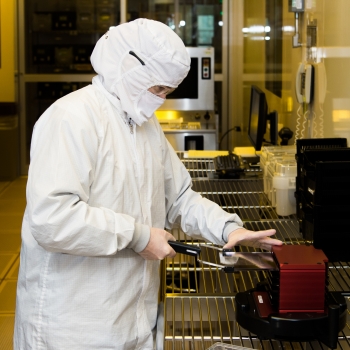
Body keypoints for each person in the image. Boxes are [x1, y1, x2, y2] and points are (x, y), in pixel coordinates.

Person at [14, 18, 282, 350]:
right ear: (128, 69)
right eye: (157, 89)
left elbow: (180, 197)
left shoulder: (142, 123)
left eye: (167, 92)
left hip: (131, 314)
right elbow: (52, 219)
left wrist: (228, 230)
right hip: (74, 324)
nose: (161, 100)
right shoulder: (72, 118)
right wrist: (139, 236)